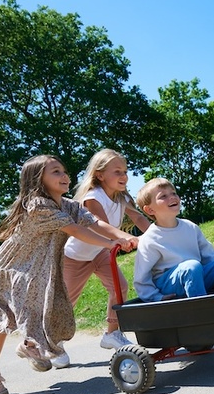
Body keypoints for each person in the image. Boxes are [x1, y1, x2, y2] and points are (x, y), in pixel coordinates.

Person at [0, 154, 137, 394]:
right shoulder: (38, 205)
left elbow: (94, 222)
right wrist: (110, 243)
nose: (65, 176)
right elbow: (76, 230)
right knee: (5, 320)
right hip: (12, 267)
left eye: (64, 171)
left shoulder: (68, 204)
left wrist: (123, 238)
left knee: (43, 309)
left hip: (38, 267)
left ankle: (33, 346)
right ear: (38, 179)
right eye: (56, 172)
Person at [62, 149, 152, 363]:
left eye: (125, 171)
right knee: (66, 303)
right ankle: (51, 341)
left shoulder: (121, 197)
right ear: (100, 175)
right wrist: (124, 238)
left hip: (101, 252)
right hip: (76, 257)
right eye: (117, 172)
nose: (124, 176)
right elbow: (100, 226)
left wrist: (155, 237)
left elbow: (138, 218)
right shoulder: (92, 198)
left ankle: (112, 333)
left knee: (119, 287)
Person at [132, 177, 214, 302]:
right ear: (150, 209)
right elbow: (142, 277)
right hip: (169, 284)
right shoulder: (150, 239)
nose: (172, 197)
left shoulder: (190, 227)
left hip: (195, 275)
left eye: (173, 193)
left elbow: (209, 254)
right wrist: (156, 297)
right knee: (191, 266)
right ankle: (203, 308)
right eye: (163, 196)